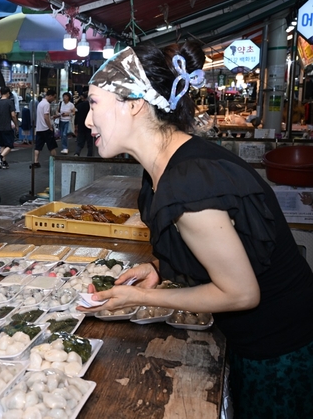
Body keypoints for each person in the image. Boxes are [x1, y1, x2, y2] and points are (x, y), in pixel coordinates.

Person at [81, 43, 313, 417]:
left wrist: (141, 299)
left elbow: (240, 294)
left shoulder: (189, 181)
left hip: (282, 351)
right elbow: (223, 246)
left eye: (93, 104)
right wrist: (159, 271)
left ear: (134, 103)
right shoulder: (169, 164)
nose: (88, 121)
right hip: (256, 339)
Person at [30, 89, 57, 168]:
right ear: (50, 96)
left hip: (39, 128)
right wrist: (50, 127)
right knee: (51, 146)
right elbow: (46, 117)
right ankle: (56, 160)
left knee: (38, 146)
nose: (54, 99)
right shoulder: (46, 104)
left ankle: (36, 162)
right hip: (46, 129)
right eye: (54, 97)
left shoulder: (40, 103)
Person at [74, 91, 94, 156]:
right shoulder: (92, 106)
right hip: (90, 126)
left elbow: (76, 116)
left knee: (80, 141)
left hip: (81, 125)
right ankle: (89, 154)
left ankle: (77, 152)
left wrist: (76, 125)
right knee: (90, 142)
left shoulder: (79, 106)